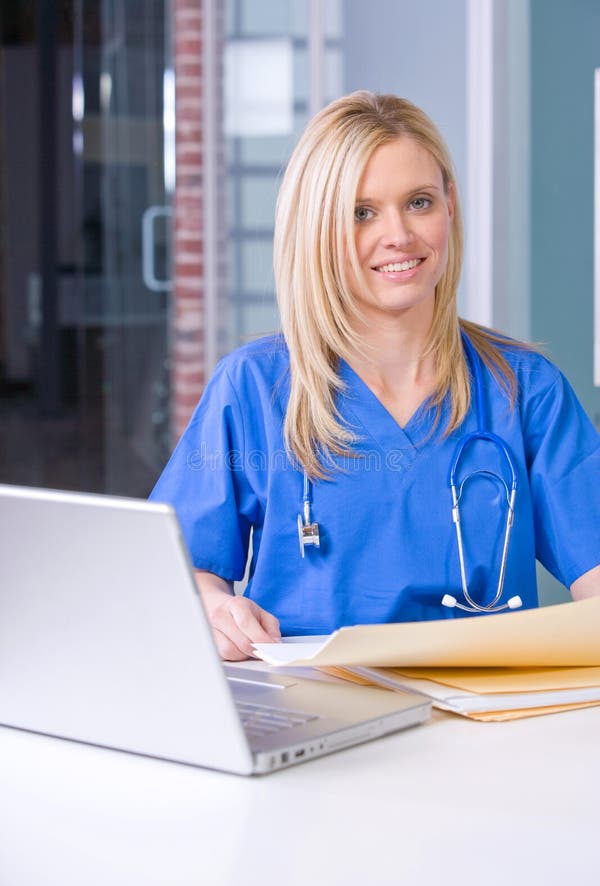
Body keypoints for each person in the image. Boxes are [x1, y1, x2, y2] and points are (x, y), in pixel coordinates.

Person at [150, 91, 600, 660]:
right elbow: (181, 574)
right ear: (318, 228)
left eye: (418, 202)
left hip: (485, 720)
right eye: (361, 213)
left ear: (450, 205)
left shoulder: (525, 391)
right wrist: (216, 610)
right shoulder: (253, 389)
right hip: (313, 713)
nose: (399, 236)